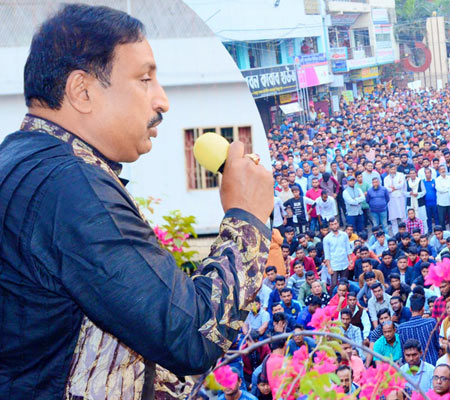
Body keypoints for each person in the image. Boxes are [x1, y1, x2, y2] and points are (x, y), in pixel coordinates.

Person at [0, 5, 277, 398]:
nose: (161, 100)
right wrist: (246, 217)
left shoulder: (22, 162)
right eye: (144, 79)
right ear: (82, 91)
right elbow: (191, 336)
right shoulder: (71, 187)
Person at [398, 293, 440, 366]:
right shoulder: (431, 322)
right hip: (433, 364)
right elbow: (437, 345)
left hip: (413, 368)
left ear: (410, 309)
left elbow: (403, 351)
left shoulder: (402, 328)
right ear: (423, 309)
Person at [323, 218, 351, 287]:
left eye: (335, 224)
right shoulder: (326, 238)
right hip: (334, 264)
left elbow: (348, 249)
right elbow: (327, 255)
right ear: (329, 226)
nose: (334, 226)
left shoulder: (344, 235)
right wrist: (329, 267)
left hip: (344, 262)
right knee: (334, 284)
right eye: (332, 225)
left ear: (338, 224)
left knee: (344, 283)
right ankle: (332, 297)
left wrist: (350, 260)